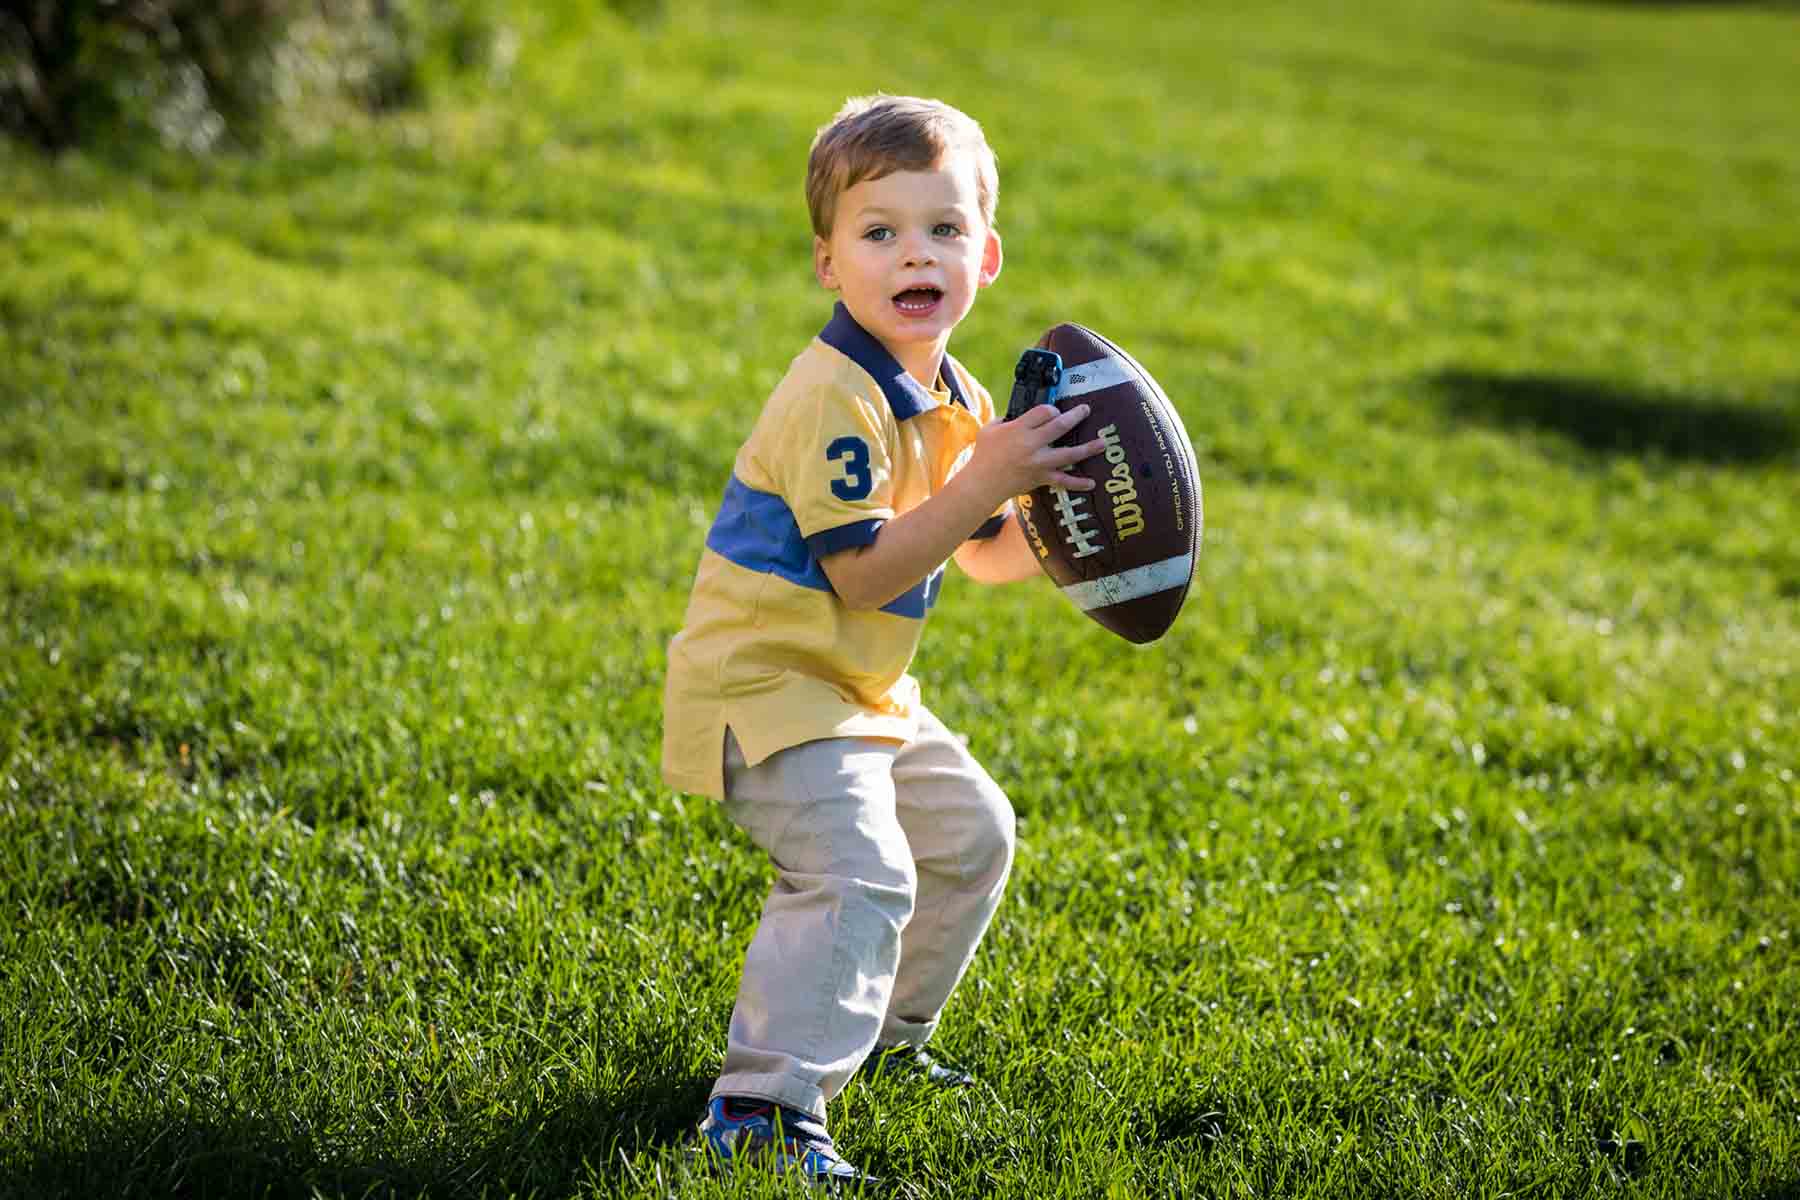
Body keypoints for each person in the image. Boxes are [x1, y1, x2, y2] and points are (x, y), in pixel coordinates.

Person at [661, 92, 1105, 1188]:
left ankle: (881, 1042)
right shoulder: (834, 397)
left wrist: (1072, 530)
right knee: (860, 873)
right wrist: (990, 478)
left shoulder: (952, 391)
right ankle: (760, 1108)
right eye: (880, 232)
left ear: (987, 254)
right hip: (766, 685)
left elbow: (981, 549)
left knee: (972, 837)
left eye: (944, 229)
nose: (917, 253)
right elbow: (865, 572)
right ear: (829, 264)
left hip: (853, 694)